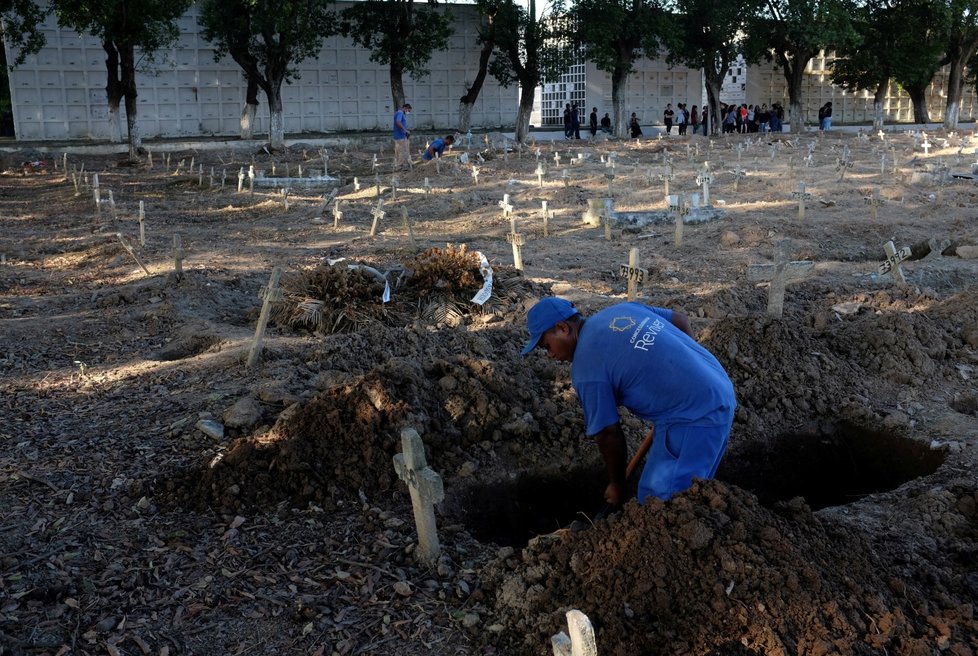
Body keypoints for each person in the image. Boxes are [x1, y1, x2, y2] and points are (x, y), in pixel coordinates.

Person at [522, 297, 736, 506]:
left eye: (546, 345)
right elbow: (680, 320)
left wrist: (617, 484)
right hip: (719, 385)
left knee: (659, 504)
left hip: (695, 417)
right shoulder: (622, 310)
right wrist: (687, 375)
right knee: (687, 495)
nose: (549, 355)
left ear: (562, 328)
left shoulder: (587, 370)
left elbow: (608, 433)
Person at [392, 102, 412, 171]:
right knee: (402, 151)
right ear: (405, 108)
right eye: (409, 110)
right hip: (401, 136)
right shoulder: (400, 113)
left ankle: (398, 165)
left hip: (398, 136)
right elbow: (398, 122)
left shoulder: (398, 113)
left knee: (398, 151)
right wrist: (405, 130)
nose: (408, 112)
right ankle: (400, 167)